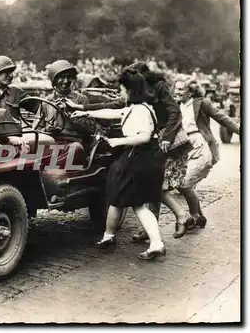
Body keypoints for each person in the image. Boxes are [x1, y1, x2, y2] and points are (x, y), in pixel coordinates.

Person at [71, 68, 166, 260]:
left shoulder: (139, 110)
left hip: (140, 158)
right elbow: (114, 112)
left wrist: (118, 142)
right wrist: (84, 112)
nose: (120, 92)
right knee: (124, 199)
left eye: (122, 89)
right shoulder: (139, 107)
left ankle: (156, 243)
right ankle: (111, 236)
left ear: (130, 90)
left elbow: (144, 136)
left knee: (135, 203)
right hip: (145, 158)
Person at [166, 79, 240, 227]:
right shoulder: (176, 105)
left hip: (201, 146)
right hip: (184, 147)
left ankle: (193, 217)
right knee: (184, 184)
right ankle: (200, 217)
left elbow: (222, 118)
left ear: (191, 91)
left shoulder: (201, 103)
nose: (177, 92)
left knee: (186, 184)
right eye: (176, 89)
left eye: (181, 89)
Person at [33, 60, 89, 134]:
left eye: (68, 77)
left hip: (72, 141)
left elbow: (88, 129)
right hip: (50, 141)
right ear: (54, 80)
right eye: (62, 78)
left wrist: (68, 113)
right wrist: (46, 129)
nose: (66, 81)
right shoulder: (47, 101)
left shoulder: (81, 100)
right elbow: (37, 128)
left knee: (75, 146)